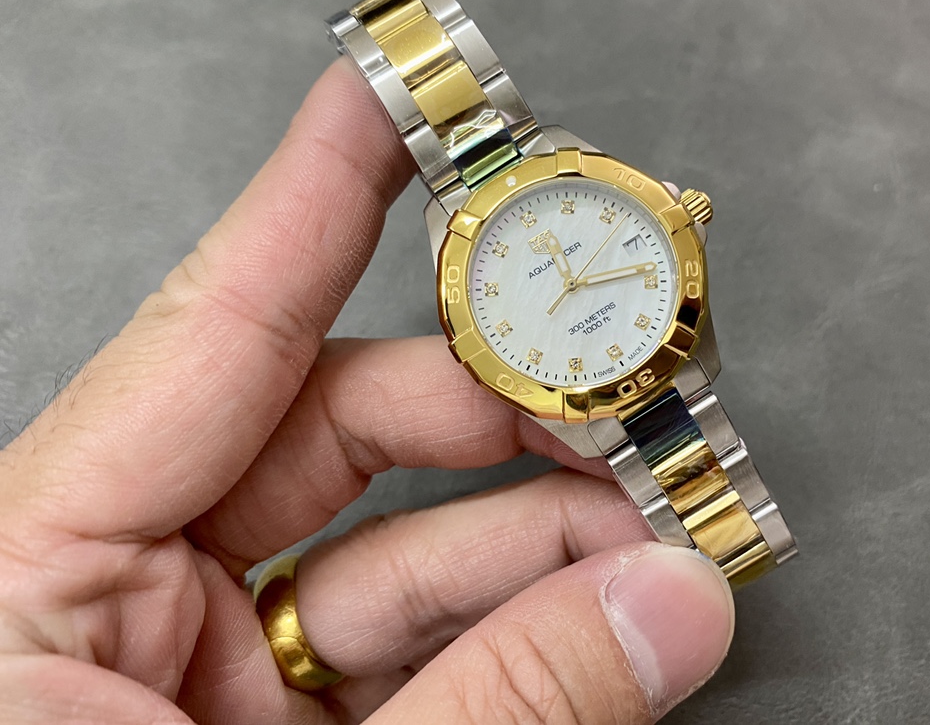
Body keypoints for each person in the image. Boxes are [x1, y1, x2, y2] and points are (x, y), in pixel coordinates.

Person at [0, 58, 735, 724]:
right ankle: (724, 549)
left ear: (676, 217)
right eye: (552, 284)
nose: (569, 287)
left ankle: (726, 539)